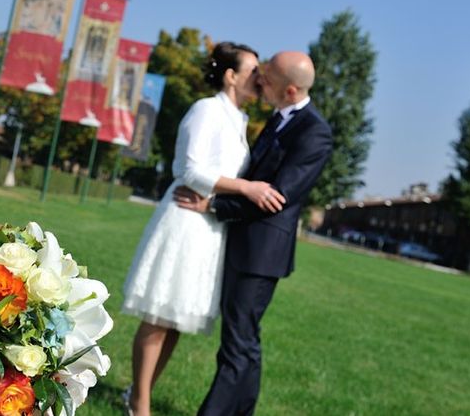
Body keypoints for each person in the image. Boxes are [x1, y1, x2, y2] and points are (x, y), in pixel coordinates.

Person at [121, 42, 286, 416]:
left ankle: (136, 392)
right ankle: (140, 405)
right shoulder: (206, 110)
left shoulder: (238, 119)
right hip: (183, 220)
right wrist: (246, 187)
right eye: (253, 71)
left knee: (178, 317)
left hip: (209, 226)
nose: (260, 79)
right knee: (160, 313)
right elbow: (189, 170)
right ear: (231, 76)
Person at [176, 51, 333, 416]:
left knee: (236, 344)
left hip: (262, 253)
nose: (259, 80)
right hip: (246, 244)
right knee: (244, 341)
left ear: (291, 91)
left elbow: (276, 196)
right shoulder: (278, 119)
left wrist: (213, 206)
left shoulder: (314, 132)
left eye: (267, 78)